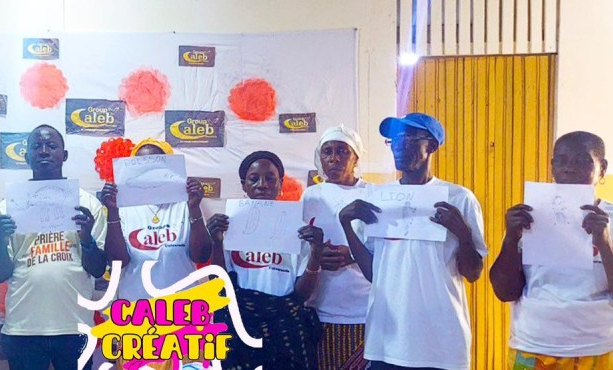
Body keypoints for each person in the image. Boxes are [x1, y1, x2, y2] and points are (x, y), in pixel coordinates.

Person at [489, 131, 613, 369]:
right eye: (561, 160)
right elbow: (505, 292)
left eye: (582, 161)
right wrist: (511, 238)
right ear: (552, 166)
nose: (569, 168)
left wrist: (605, 243)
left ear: (602, 168)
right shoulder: (530, 219)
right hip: (536, 347)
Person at [338, 112, 487, 370]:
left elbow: (473, 273)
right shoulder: (379, 198)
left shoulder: (459, 198)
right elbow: (374, 273)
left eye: (408, 138)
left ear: (432, 145)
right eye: (394, 140)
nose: (399, 145)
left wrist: (463, 234)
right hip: (387, 339)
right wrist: (346, 225)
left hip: (441, 342)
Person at [0, 125, 108, 370]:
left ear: (64, 155)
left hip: (75, 326)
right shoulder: (9, 206)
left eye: (51, 146)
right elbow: (0, 274)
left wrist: (86, 239)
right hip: (23, 328)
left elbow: (97, 270)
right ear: (26, 156)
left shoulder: (87, 204)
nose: (44, 151)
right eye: (36, 146)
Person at [207, 151, 323, 370]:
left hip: (286, 325)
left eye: (270, 178)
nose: (262, 185)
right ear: (244, 185)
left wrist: (316, 253)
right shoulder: (229, 226)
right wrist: (216, 242)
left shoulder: (298, 230)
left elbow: (301, 295)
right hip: (240, 323)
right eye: (254, 179)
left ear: (280, 184)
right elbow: (219, 285)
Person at [99, 138, 211, 301]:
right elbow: (117, 262)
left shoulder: (186, 204)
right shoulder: (122, 207)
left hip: (182, 306)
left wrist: (194, 208)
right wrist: (113, 212)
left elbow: (201, 256)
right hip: (136, 306)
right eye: (142, 168)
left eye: (155, 167)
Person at [302, 126, 371, 370]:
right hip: (319, 309)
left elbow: (386, 248)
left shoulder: (373, 194)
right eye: (327, 151)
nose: (334, 158)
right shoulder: (310, 196)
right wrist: (317, 256)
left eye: (342, 151)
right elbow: (298, 248)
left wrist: (351, 255)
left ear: (356, 158)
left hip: (363, 309)